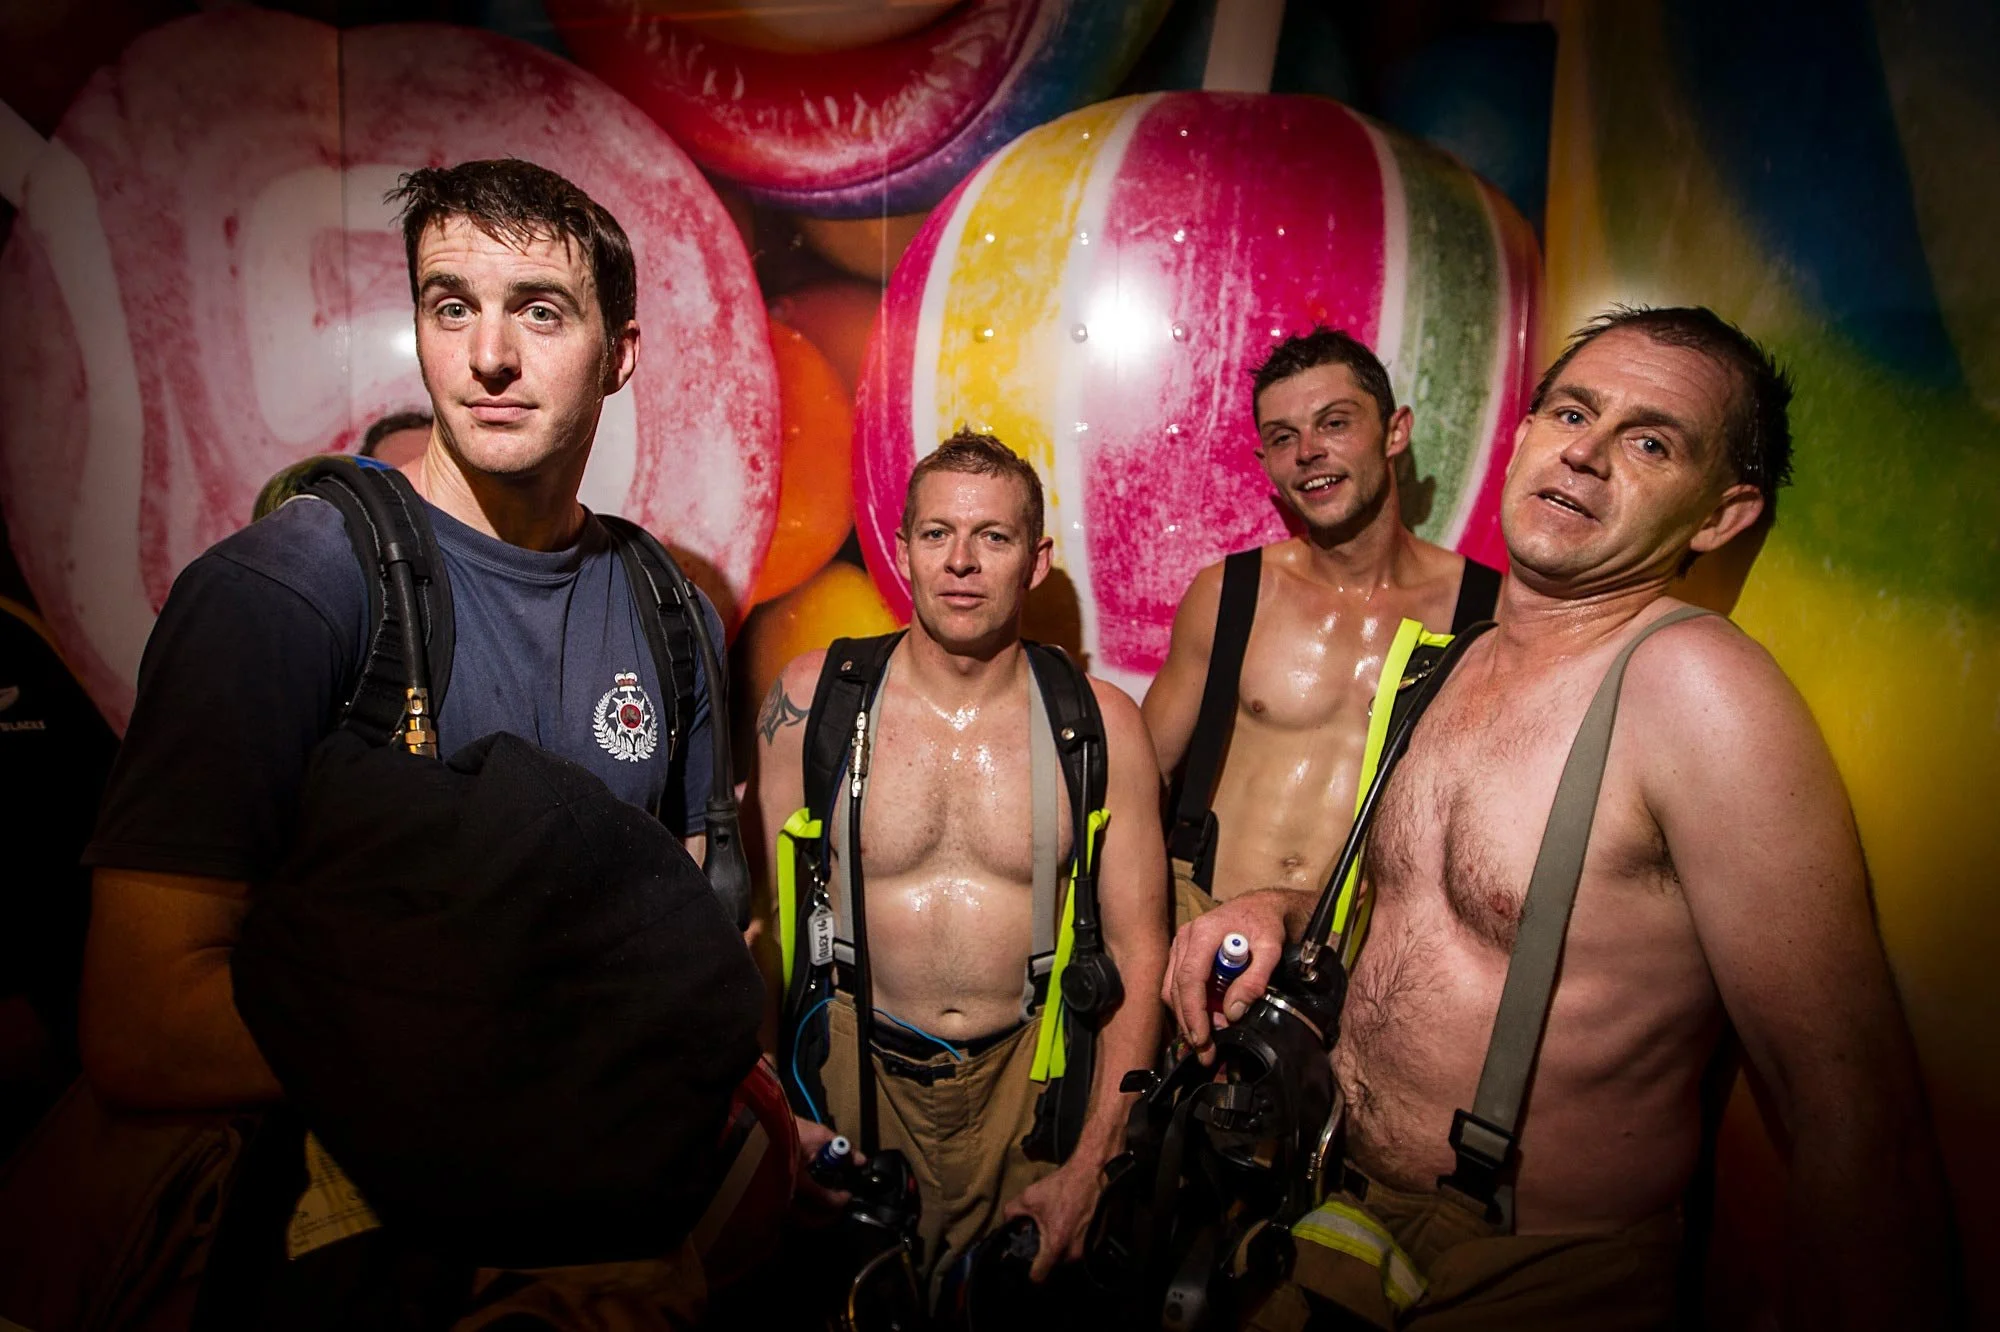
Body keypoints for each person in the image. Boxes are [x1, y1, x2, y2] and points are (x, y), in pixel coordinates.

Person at [1165, 308, 1957, 1330]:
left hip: (1527, 1275)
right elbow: (1418, 902)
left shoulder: (1697, 694)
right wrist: (1283, 904)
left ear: (1717, 517)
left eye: (1647, 441)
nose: (1583, 452)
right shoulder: (1450, 663)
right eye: (1570, 412)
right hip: (1340, 1217)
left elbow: (1850, 1115)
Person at [66, 159, 738, 1322]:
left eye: (540, 309)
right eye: (449, 305)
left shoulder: (669, 611)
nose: (487, 356)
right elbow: (139, 1022)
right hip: (350, 1260)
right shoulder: (285, 593)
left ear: (620, 352)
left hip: (606, 1248)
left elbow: (677, 935)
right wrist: (503, 1045)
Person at [755, 433, 1167, 1300]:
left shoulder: (1100, 725)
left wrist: (1097, 1160)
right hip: (850, 1077)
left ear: (1038, 561)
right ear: (900, 550)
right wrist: (771, 1118)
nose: (963, 562)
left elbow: (1139, 949)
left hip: (1031, 1090)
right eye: (937, 534)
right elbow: (756, 927)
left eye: (995, 537)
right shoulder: (810, 703)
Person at [1144, 329, 1499, 931]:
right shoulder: (1232, 593)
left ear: (1395, 431)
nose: (1308, 451)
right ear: (1267, 464)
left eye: (1334, 423)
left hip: (1362, 946)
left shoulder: (1485, 611)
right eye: (1284, 438)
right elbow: (1138, 774)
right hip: (1204, 914)